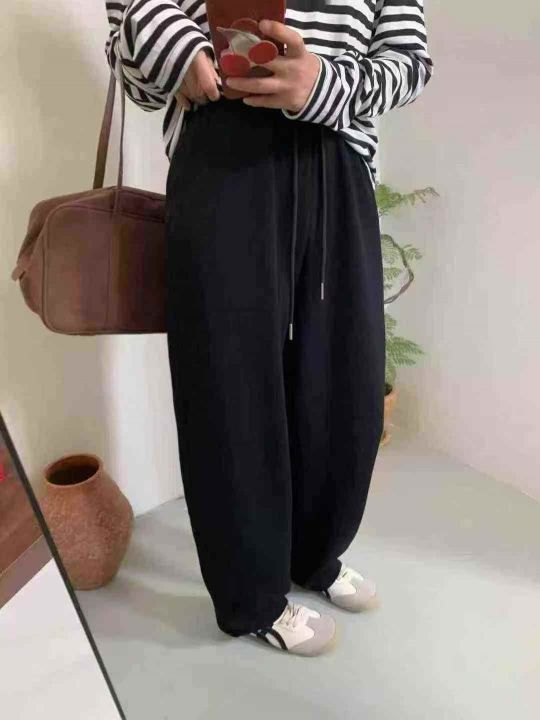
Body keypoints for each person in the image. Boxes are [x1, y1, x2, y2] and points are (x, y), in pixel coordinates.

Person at [105, 0, 433, 657]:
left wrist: (325, 84)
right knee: (228, 384)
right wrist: (178, 50)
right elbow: (127, 32)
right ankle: (251, 596)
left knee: (345, 379)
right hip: (220, 144)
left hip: (337, 154)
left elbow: (411, 61)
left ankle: (315, 554)